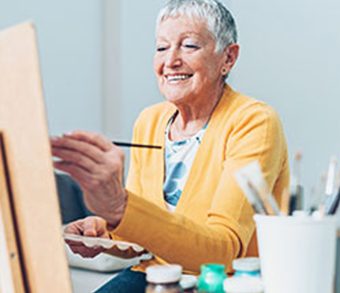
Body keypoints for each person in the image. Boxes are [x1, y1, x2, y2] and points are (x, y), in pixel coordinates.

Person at [51, 0, 290, 292]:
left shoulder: (254, 122)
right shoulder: (149, 121)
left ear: (228, 58)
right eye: (162, 47)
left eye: (189, 46)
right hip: (153, 274)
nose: (171, 60)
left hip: (216, 282)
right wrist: (106, 231)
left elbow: (223, 253)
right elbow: (144, 233)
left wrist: (120, 208)